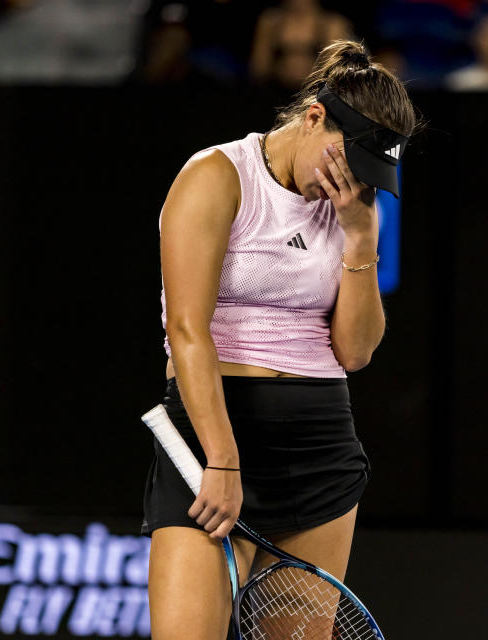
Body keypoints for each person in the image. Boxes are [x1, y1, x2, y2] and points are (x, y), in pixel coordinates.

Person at [140, 40, 417, 639]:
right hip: (212, 437)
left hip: (319, 445)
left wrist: (361, 240)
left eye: (370, 173)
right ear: (315, 115)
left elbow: (357, 351)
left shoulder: (353, 207)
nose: (351, 182)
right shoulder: (215, 176)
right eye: (348, 160)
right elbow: (187, 329)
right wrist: (222, 456)